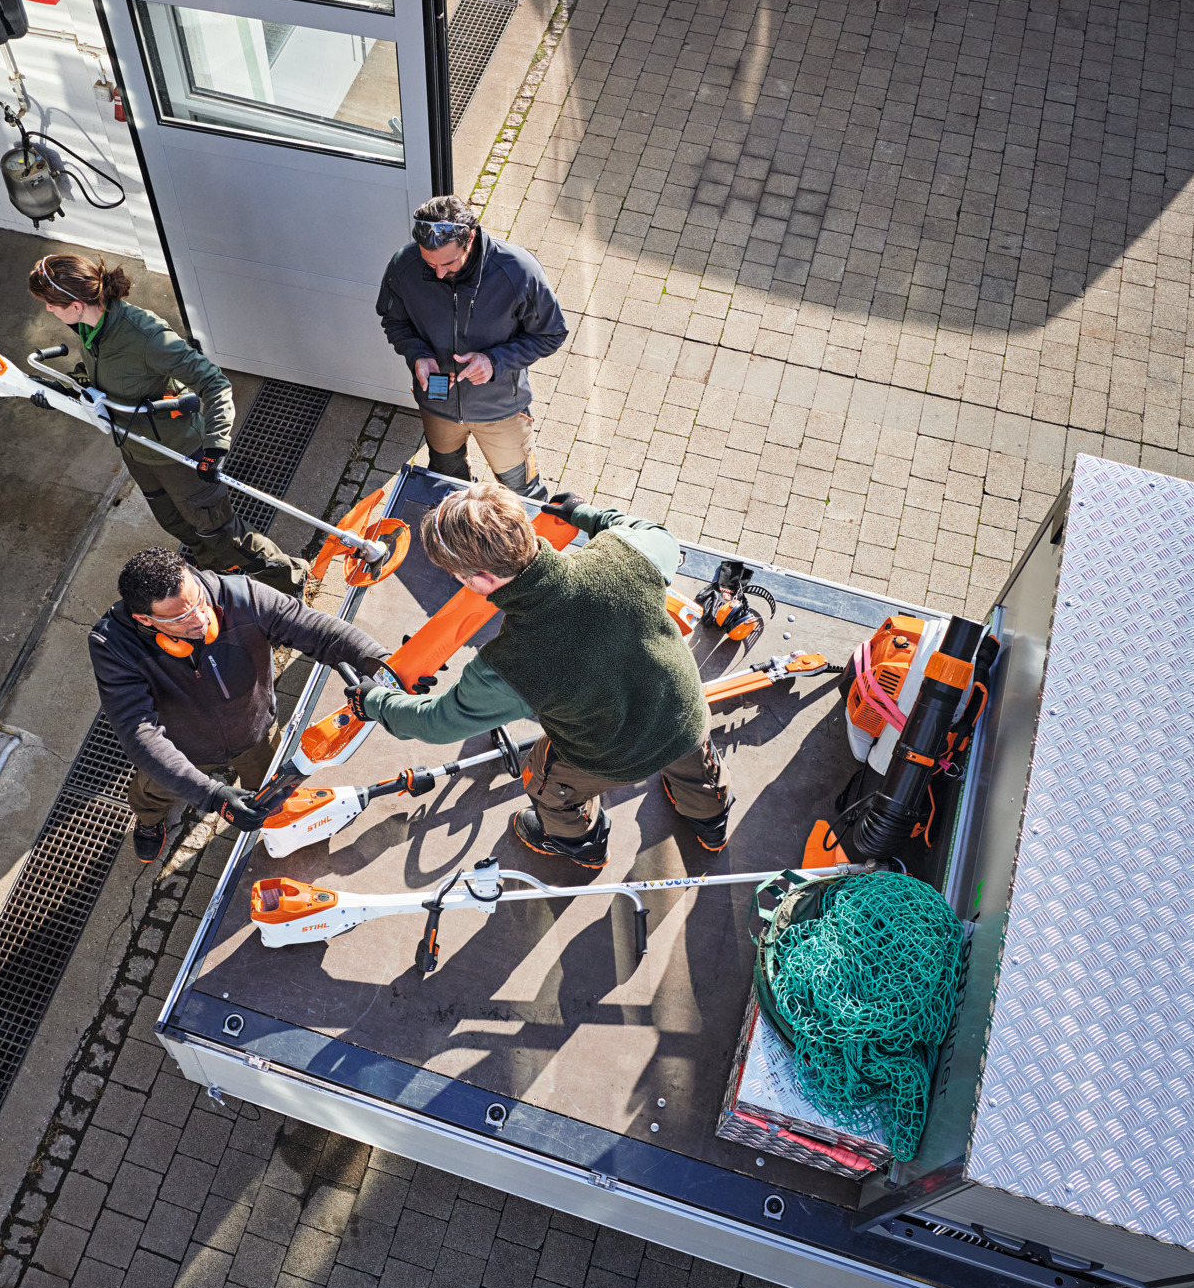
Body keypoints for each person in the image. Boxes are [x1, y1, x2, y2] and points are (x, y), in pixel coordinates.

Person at [347, 483, 731, 868]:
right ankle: (711, 821)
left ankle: (581, 843)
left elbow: (435, 724)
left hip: (612, 757)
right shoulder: (625, 555)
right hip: (684, 712)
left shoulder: (509, 664)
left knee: (545, 782)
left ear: (479, 581)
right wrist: (587, 514)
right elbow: (658, 536)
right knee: (695, 762)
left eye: (456, 575)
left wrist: (376, 702)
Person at [31, 253, 308, 596]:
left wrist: (216, 445)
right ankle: (223, 577)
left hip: (178, 452)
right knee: (173, 520)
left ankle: (293, 579)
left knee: (220, 533)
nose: (47, 310)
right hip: (138, 448)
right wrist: (61, 388)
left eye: (49, 303)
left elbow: (214, 383)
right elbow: (102, 377)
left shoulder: (146, 335)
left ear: (75, 304)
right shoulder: (89, 328)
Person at [91, 547, 390, 862]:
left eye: (198, 601)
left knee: (271, 791)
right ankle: (150, 820)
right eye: (181, 617)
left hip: (256, 732)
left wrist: (385, 667)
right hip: (182, 750)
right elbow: (139, 733)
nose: (201, 619)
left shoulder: (242, 596)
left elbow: (323, 634)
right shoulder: (112, 645)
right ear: (143, 619)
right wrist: (212, 796)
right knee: (152, 793)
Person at [376, 197, 568, 500]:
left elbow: (551, 333)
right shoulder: (404, 266)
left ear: (471, 239)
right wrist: (418, 355)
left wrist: (495, 361)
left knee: (522, 494)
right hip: (437, 403)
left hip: (501, 408)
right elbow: (394, 321)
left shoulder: (518, 271)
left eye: (448, 263)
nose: (438, 273)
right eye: (430, 263)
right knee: (446, 481)